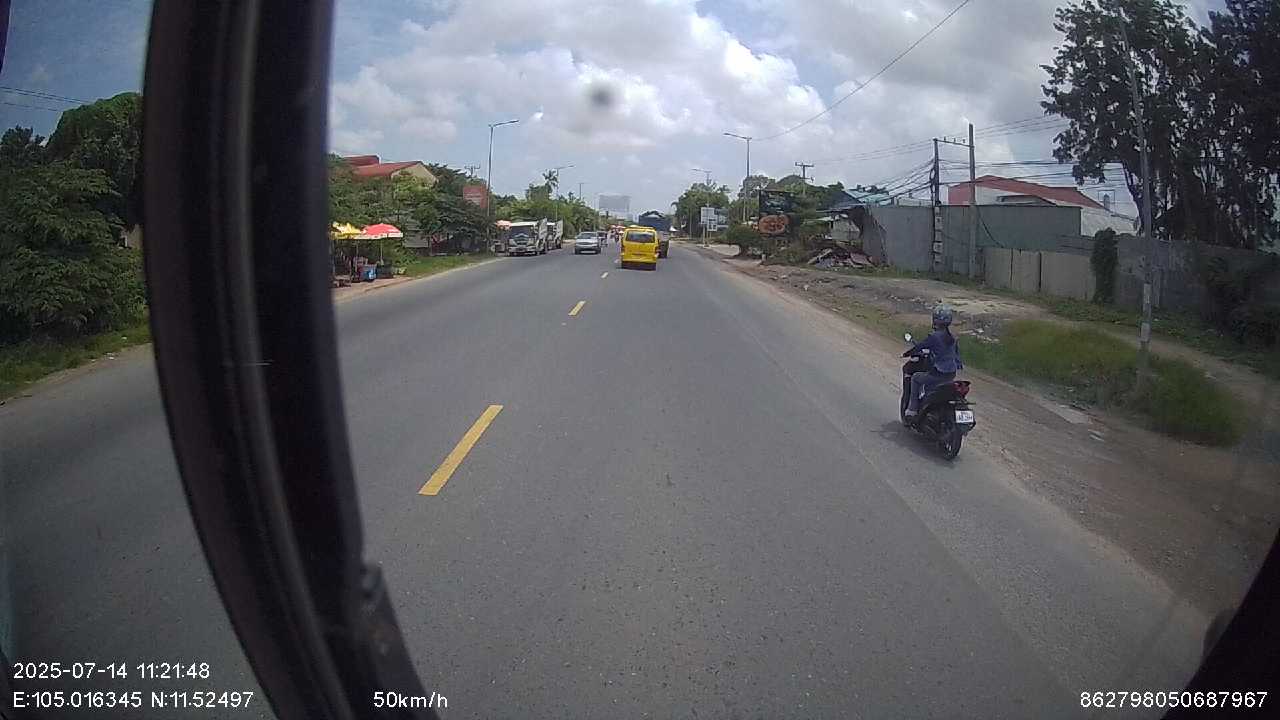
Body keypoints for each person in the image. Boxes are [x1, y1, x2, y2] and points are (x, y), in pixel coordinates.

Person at [903, 304, 962, 418]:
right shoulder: (952, 338)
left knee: (915, 378)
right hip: (951, 375)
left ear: (935, 320)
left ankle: (912, 410)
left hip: (938, 374)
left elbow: (920, 346)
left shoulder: (934, 336)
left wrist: (907, 353)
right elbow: (956, 356)